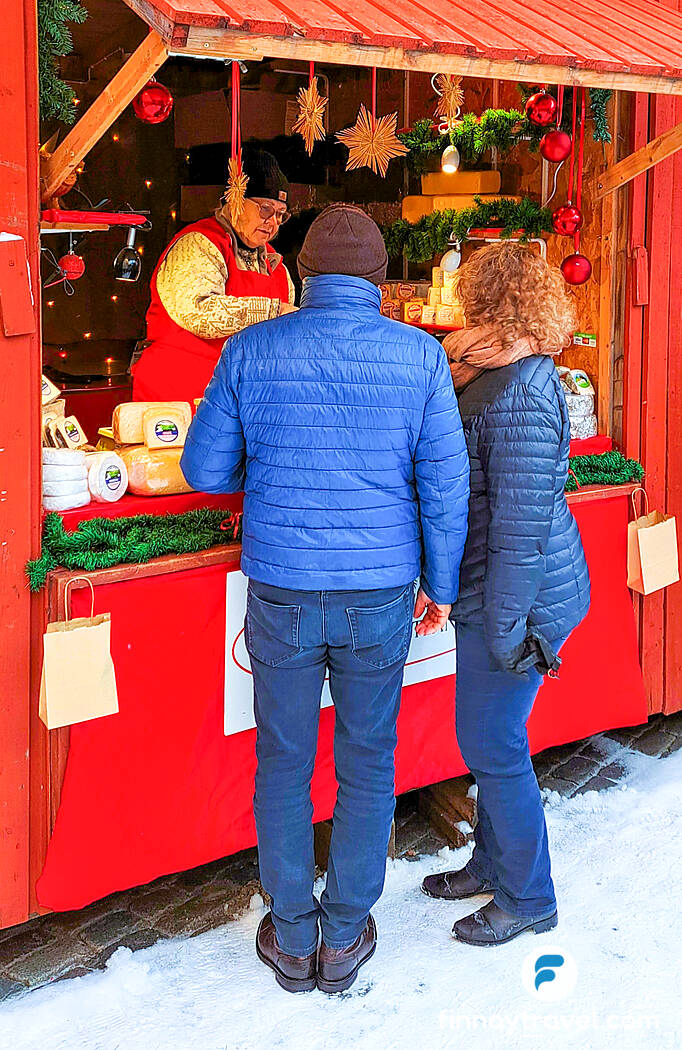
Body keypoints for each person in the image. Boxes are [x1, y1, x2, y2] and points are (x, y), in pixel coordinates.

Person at [180, 204, 470, 993]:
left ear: (303, 276)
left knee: (283, 758)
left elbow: (205, 470)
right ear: (379, 282)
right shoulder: (421, 357)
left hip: (281, 587)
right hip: (380, 590)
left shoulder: (250, 349)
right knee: (368, 760)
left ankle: (291, 928)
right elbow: (445, 486)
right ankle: (343, 936)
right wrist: (440, 586)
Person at [421, 242, 590, 946]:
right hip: (496, 586)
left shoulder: (522, 385)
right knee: (487, 738)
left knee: (493, 743)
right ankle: (491, 862)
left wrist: (509, 626)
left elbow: (520, 526)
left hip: (516, 593)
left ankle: (529, 897)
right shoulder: (493, 364)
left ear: (490, 299)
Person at [132, 149, 296, 403]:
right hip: (178, 396)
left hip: (240, 400)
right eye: (266, 209)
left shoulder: (278, 267)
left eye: (280, 215)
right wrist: (271, 311)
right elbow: (199, 312)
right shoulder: (197, 244)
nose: (273, 221)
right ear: (236, 201)